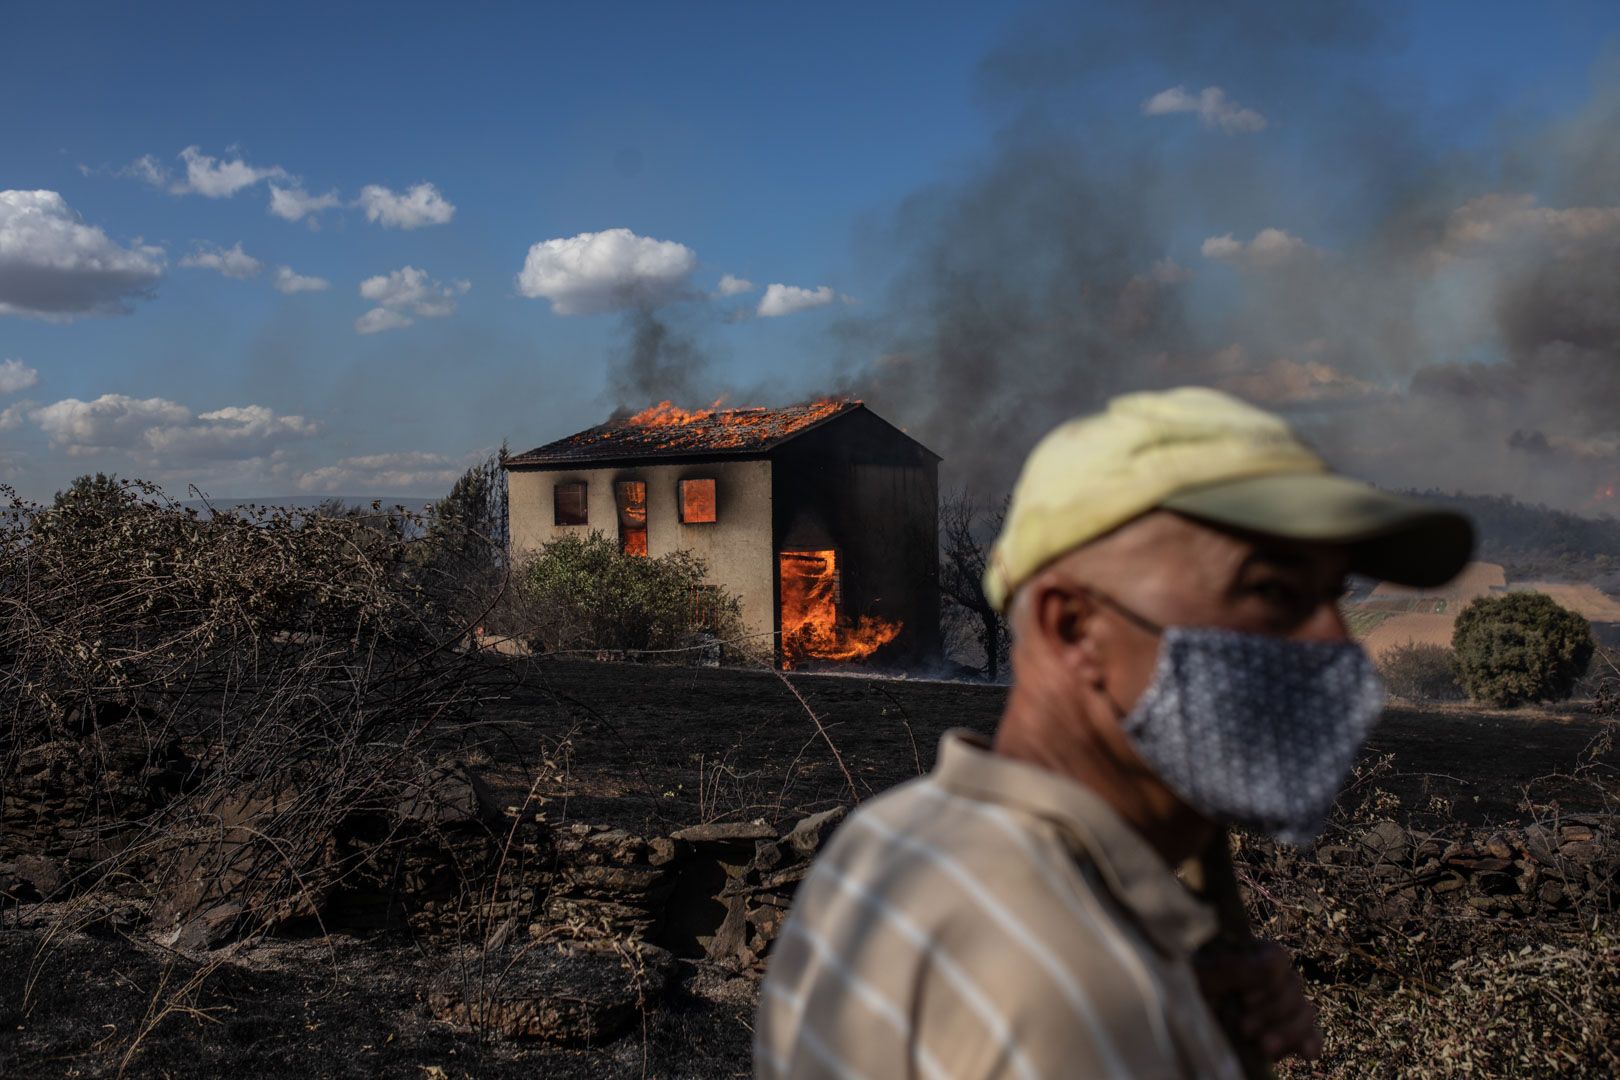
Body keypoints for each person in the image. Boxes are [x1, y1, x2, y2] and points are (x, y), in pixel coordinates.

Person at [754, 387, 1472, 1079]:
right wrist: (1143, 1018)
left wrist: (1187, 1011)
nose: (1334, 642)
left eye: (1331, 596)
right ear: (1074, 627)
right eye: (1273, 591)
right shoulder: (1074, 996)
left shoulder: (893, 839)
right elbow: (1058, 1010)